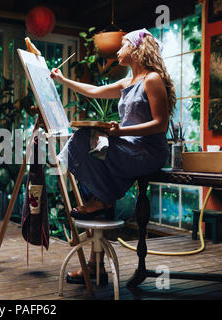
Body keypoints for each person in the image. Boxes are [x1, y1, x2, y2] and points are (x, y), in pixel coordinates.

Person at [50, 28, 176, 285]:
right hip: (127, 146)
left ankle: (103, 198)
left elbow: (161, 124)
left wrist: (120, 131)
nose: (118, 51)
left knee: (86, 142)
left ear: (136, 49)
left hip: (148, 151)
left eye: (122, 46)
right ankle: (97, 259)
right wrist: (63, 81)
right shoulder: (127, 82)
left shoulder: (152, 79)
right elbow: (94, 91)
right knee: (84, 142)